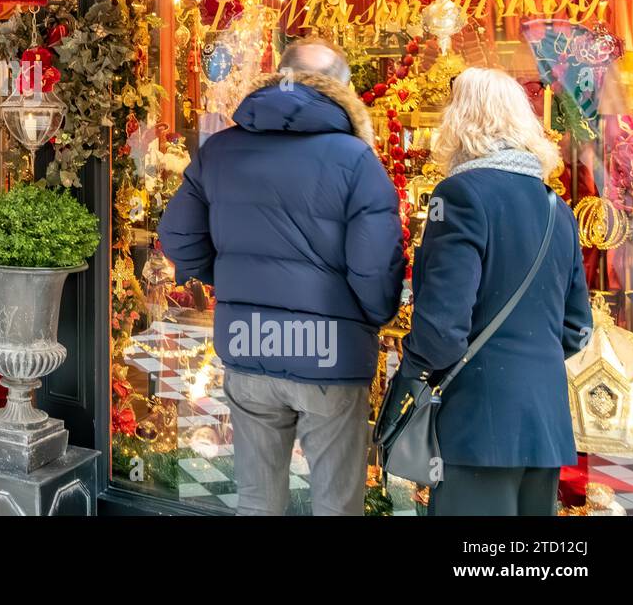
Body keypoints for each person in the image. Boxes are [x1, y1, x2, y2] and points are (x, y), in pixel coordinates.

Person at [159, 38, 405, 516]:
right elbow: (376, 270)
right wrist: (370, 316)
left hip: (252, 344)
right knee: (336, 504)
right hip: (330, 354)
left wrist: (234, 280)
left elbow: (178, 238)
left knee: (256, 500)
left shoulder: (223, 148)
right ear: (342, 89)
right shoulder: (355, 159)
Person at [402, 67, 592, 516]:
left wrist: (411, 371)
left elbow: (442, 329)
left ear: (460, 122)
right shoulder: (556, 207)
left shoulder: (461, 194)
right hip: (543, 421)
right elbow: (577, 328)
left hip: (478, 422)